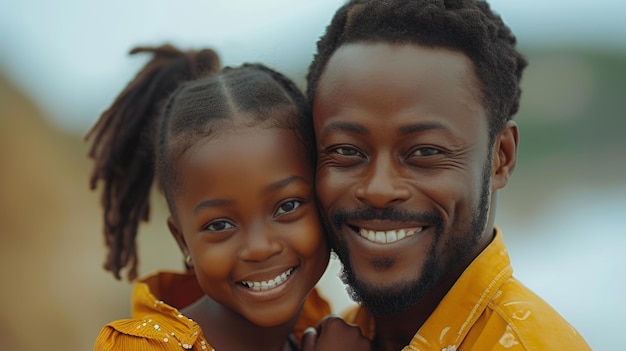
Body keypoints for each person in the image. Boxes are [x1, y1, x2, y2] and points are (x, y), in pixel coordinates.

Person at [304, 0, 592, 350]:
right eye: (347, 151)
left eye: (425, 152)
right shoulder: (322, 336)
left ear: (501, 158)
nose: (379, 189)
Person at [86, 44, 369, 351]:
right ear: (183, 243)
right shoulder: (142, 347)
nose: (259, 248)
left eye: (287, 207)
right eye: (220, 225)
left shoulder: (321, 330)